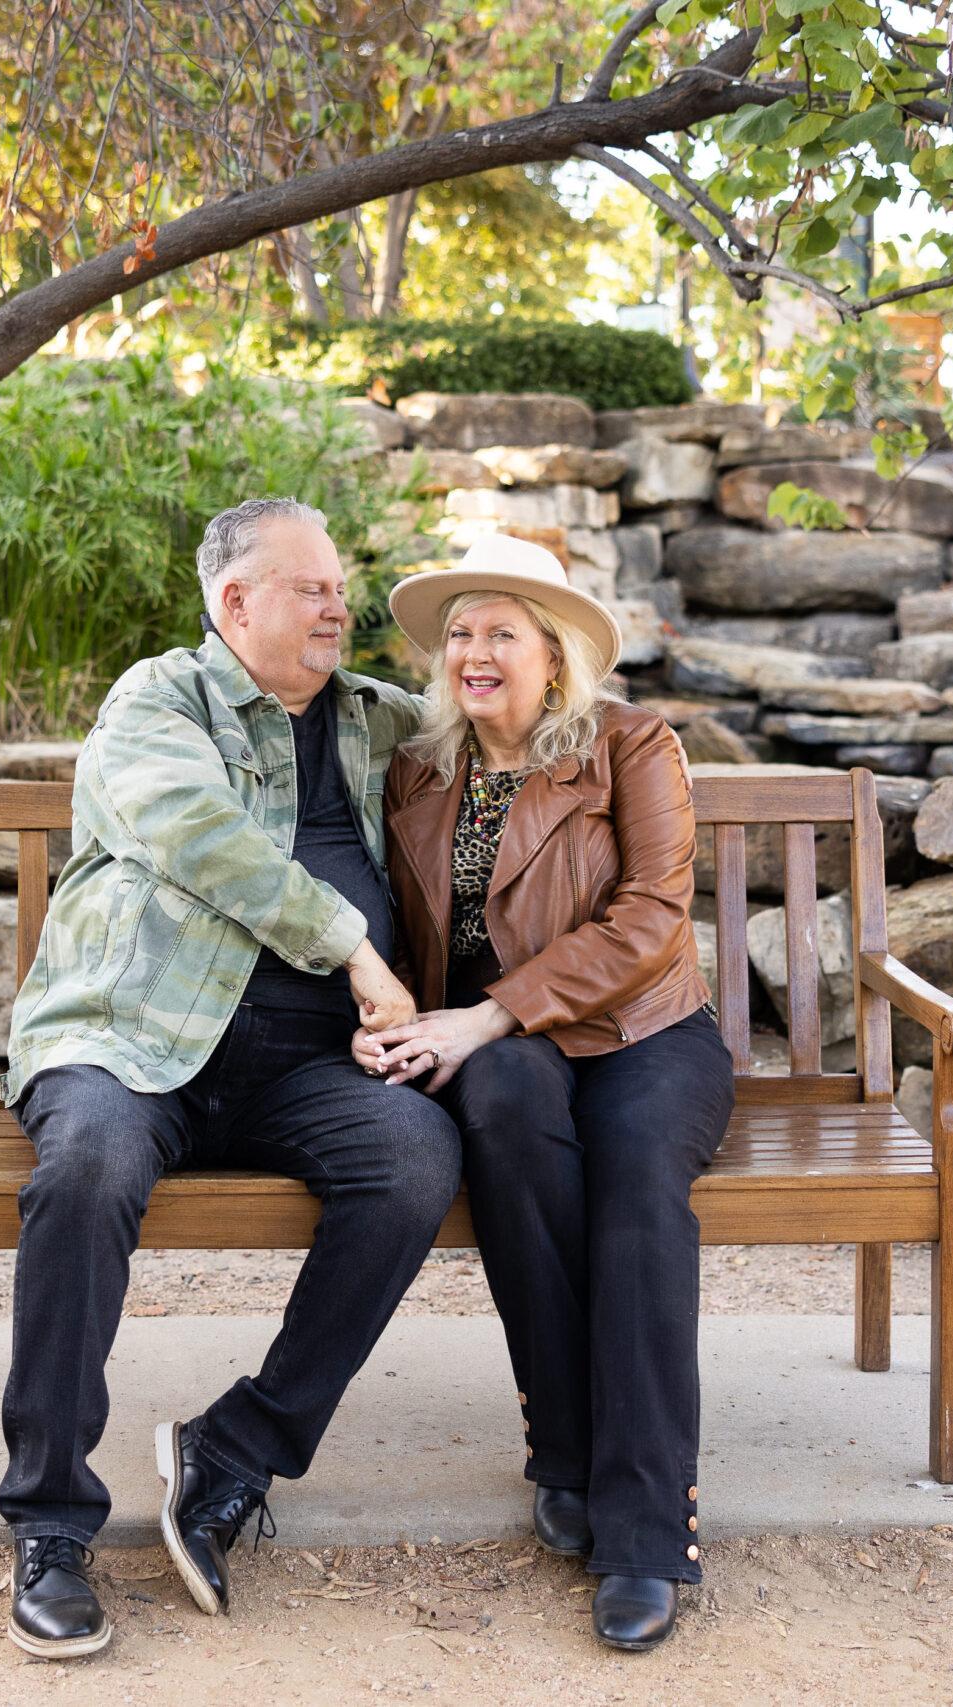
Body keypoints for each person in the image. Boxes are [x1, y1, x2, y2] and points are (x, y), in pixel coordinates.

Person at [0, 498, 461, 1659]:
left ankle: (238, 1449)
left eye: (337, 585)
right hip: (133, 1040)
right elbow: (198, 833)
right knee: (89, 1165)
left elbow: (514, 731)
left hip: (302, 1065)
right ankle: (51, 1521)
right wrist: (358, 949)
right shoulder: (157, 700)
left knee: (412, 1160)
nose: (336, 605)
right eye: (308, 587)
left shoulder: (374, 718)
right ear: (234, 601)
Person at [355, 533, 734, 1653]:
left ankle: (645, 1531)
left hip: (640, 1033)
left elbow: (651, 919)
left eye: (500, 633)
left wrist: (484, 1016)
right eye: (460, 633)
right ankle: (563, 1443)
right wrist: (384, 1023)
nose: (474, 652)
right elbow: (386, 924)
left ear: (554, 659)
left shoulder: (629, 745)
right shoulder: (420, 771)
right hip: (504, 1051)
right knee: (505, 1124)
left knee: (634, 1201)